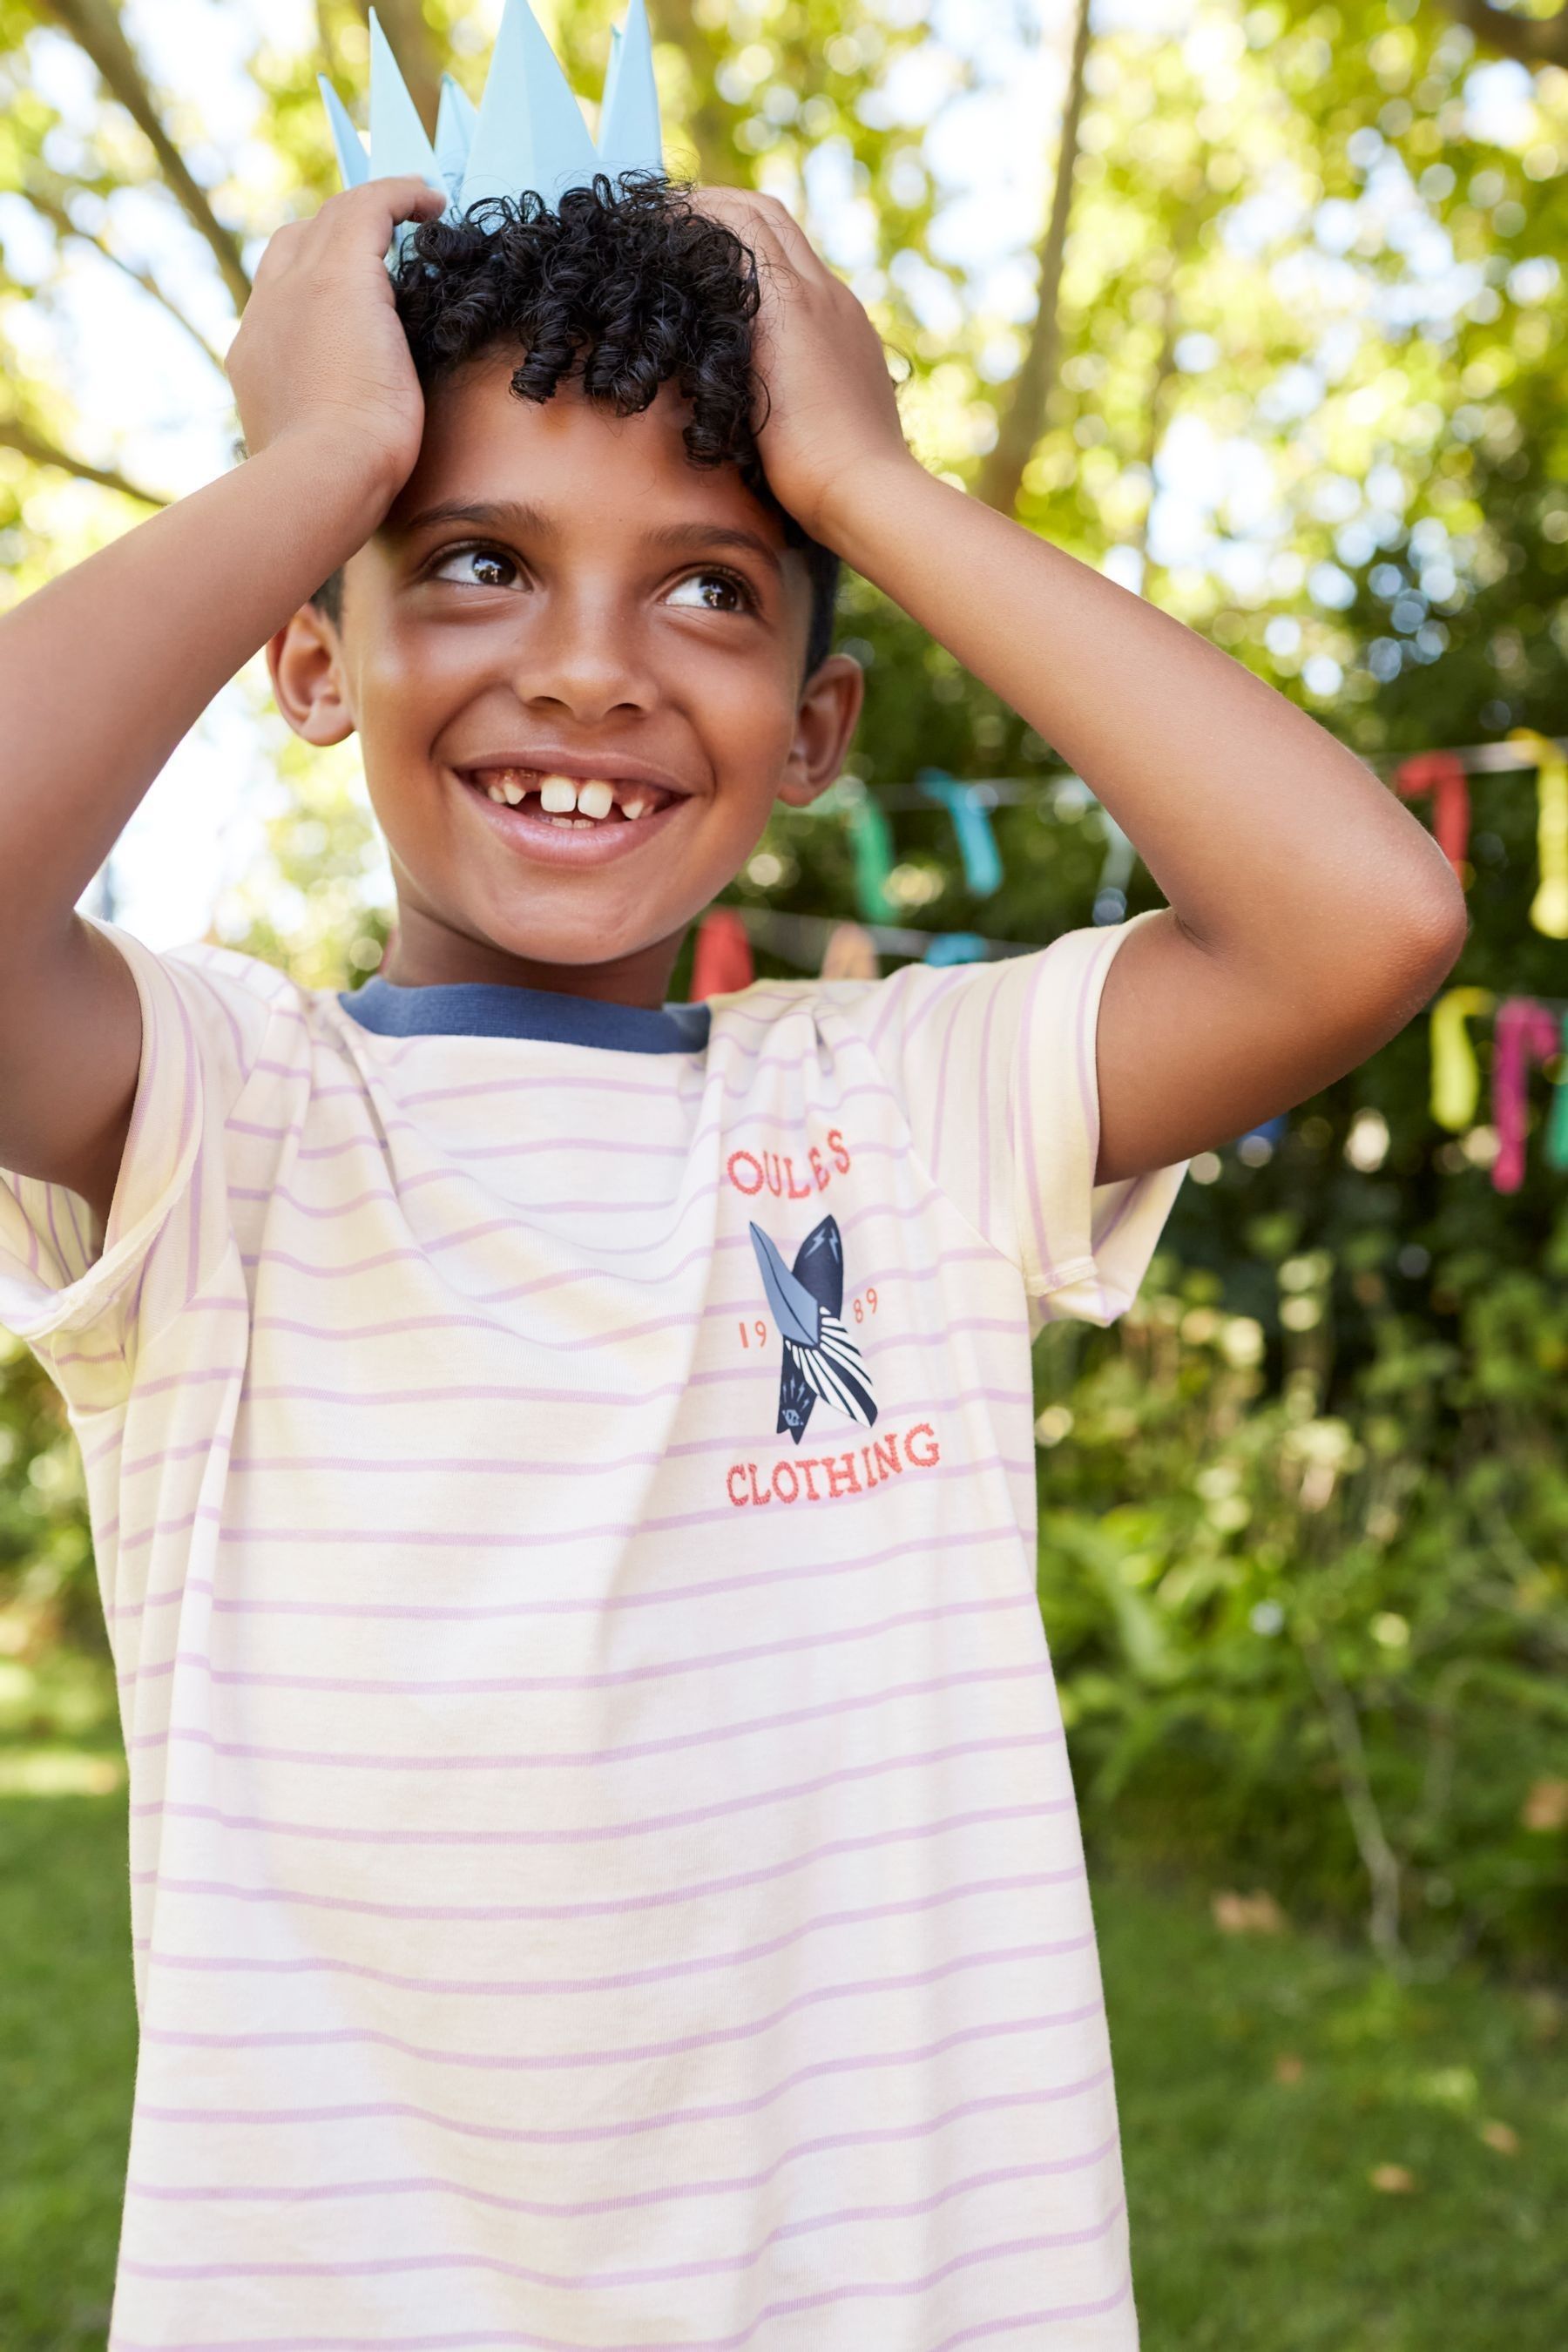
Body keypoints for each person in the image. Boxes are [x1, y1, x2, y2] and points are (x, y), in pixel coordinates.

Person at [0, 155, 1463, 2347]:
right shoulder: (220, 1115)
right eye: (477, 561)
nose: (586, 673)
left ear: (814, 728)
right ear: (310, 652)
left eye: (706, 589)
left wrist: (869, 482)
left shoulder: (900, 1110)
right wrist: (320, 455)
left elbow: (1376, 914)